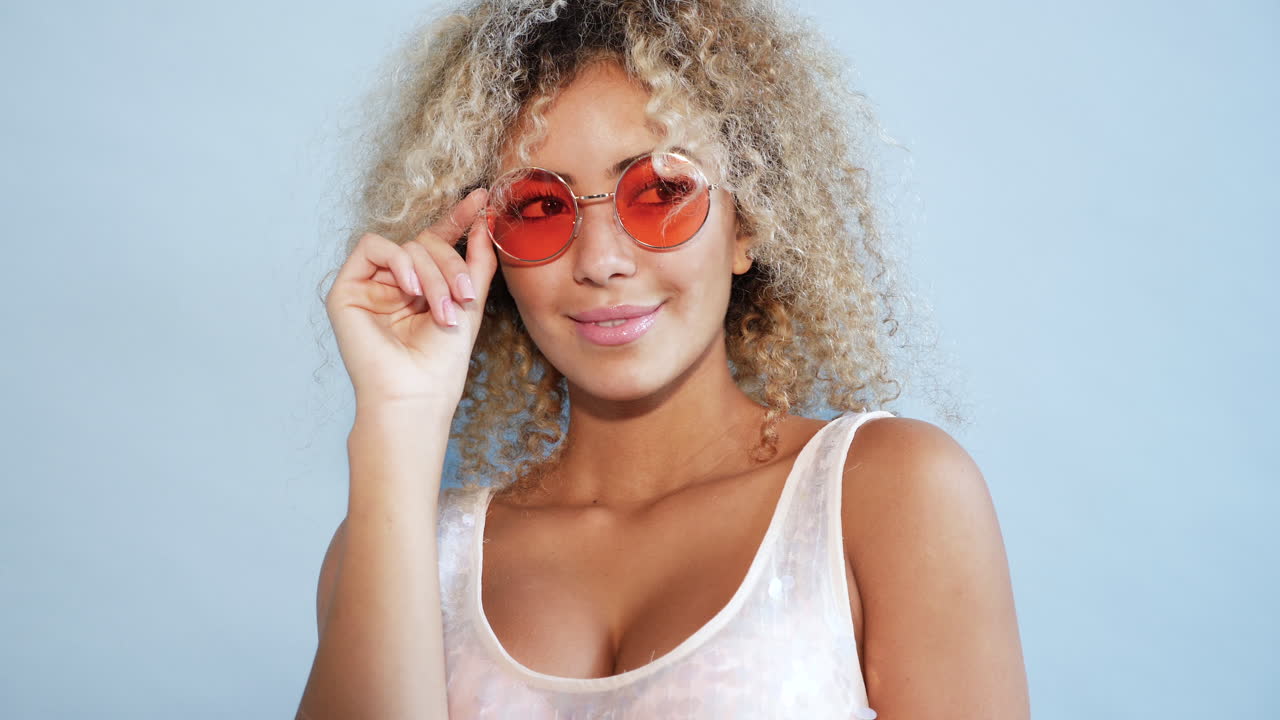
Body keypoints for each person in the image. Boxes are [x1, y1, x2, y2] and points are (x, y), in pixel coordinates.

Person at [298, 0, 1029, 717]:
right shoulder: (395, 553)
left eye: (658, 192)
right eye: (539, 207)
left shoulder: (890, 496)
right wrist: (399, 418)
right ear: (488, 255)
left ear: (747, 224)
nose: (601, 260)